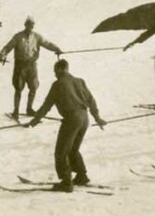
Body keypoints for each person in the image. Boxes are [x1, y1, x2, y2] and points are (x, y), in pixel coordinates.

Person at [27, 59, 107, 192]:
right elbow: (91, 100)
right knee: (73, 150)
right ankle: (81, 176)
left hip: (72, 119)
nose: (55, 75)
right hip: (84, 118)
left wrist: (35, 120)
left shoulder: (58, 84)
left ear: (58, 70)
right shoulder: (79, 81)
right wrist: (97, 118)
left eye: (55, 72)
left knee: (61, 152)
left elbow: (47, 104)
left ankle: (66, 182)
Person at [0, 16, 63, 119]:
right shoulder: (18, 37)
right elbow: (8, 46)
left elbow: (47, 44)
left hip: (32, 66)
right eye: (28, 25)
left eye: (32, 26)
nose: (30, 27)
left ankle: (29, 109)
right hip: (20, 66)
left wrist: (57, 48)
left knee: (33, 87)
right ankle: (16, 111)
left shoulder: (37, 37)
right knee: (18, 88)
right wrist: (2, 54)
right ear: (25, 25)